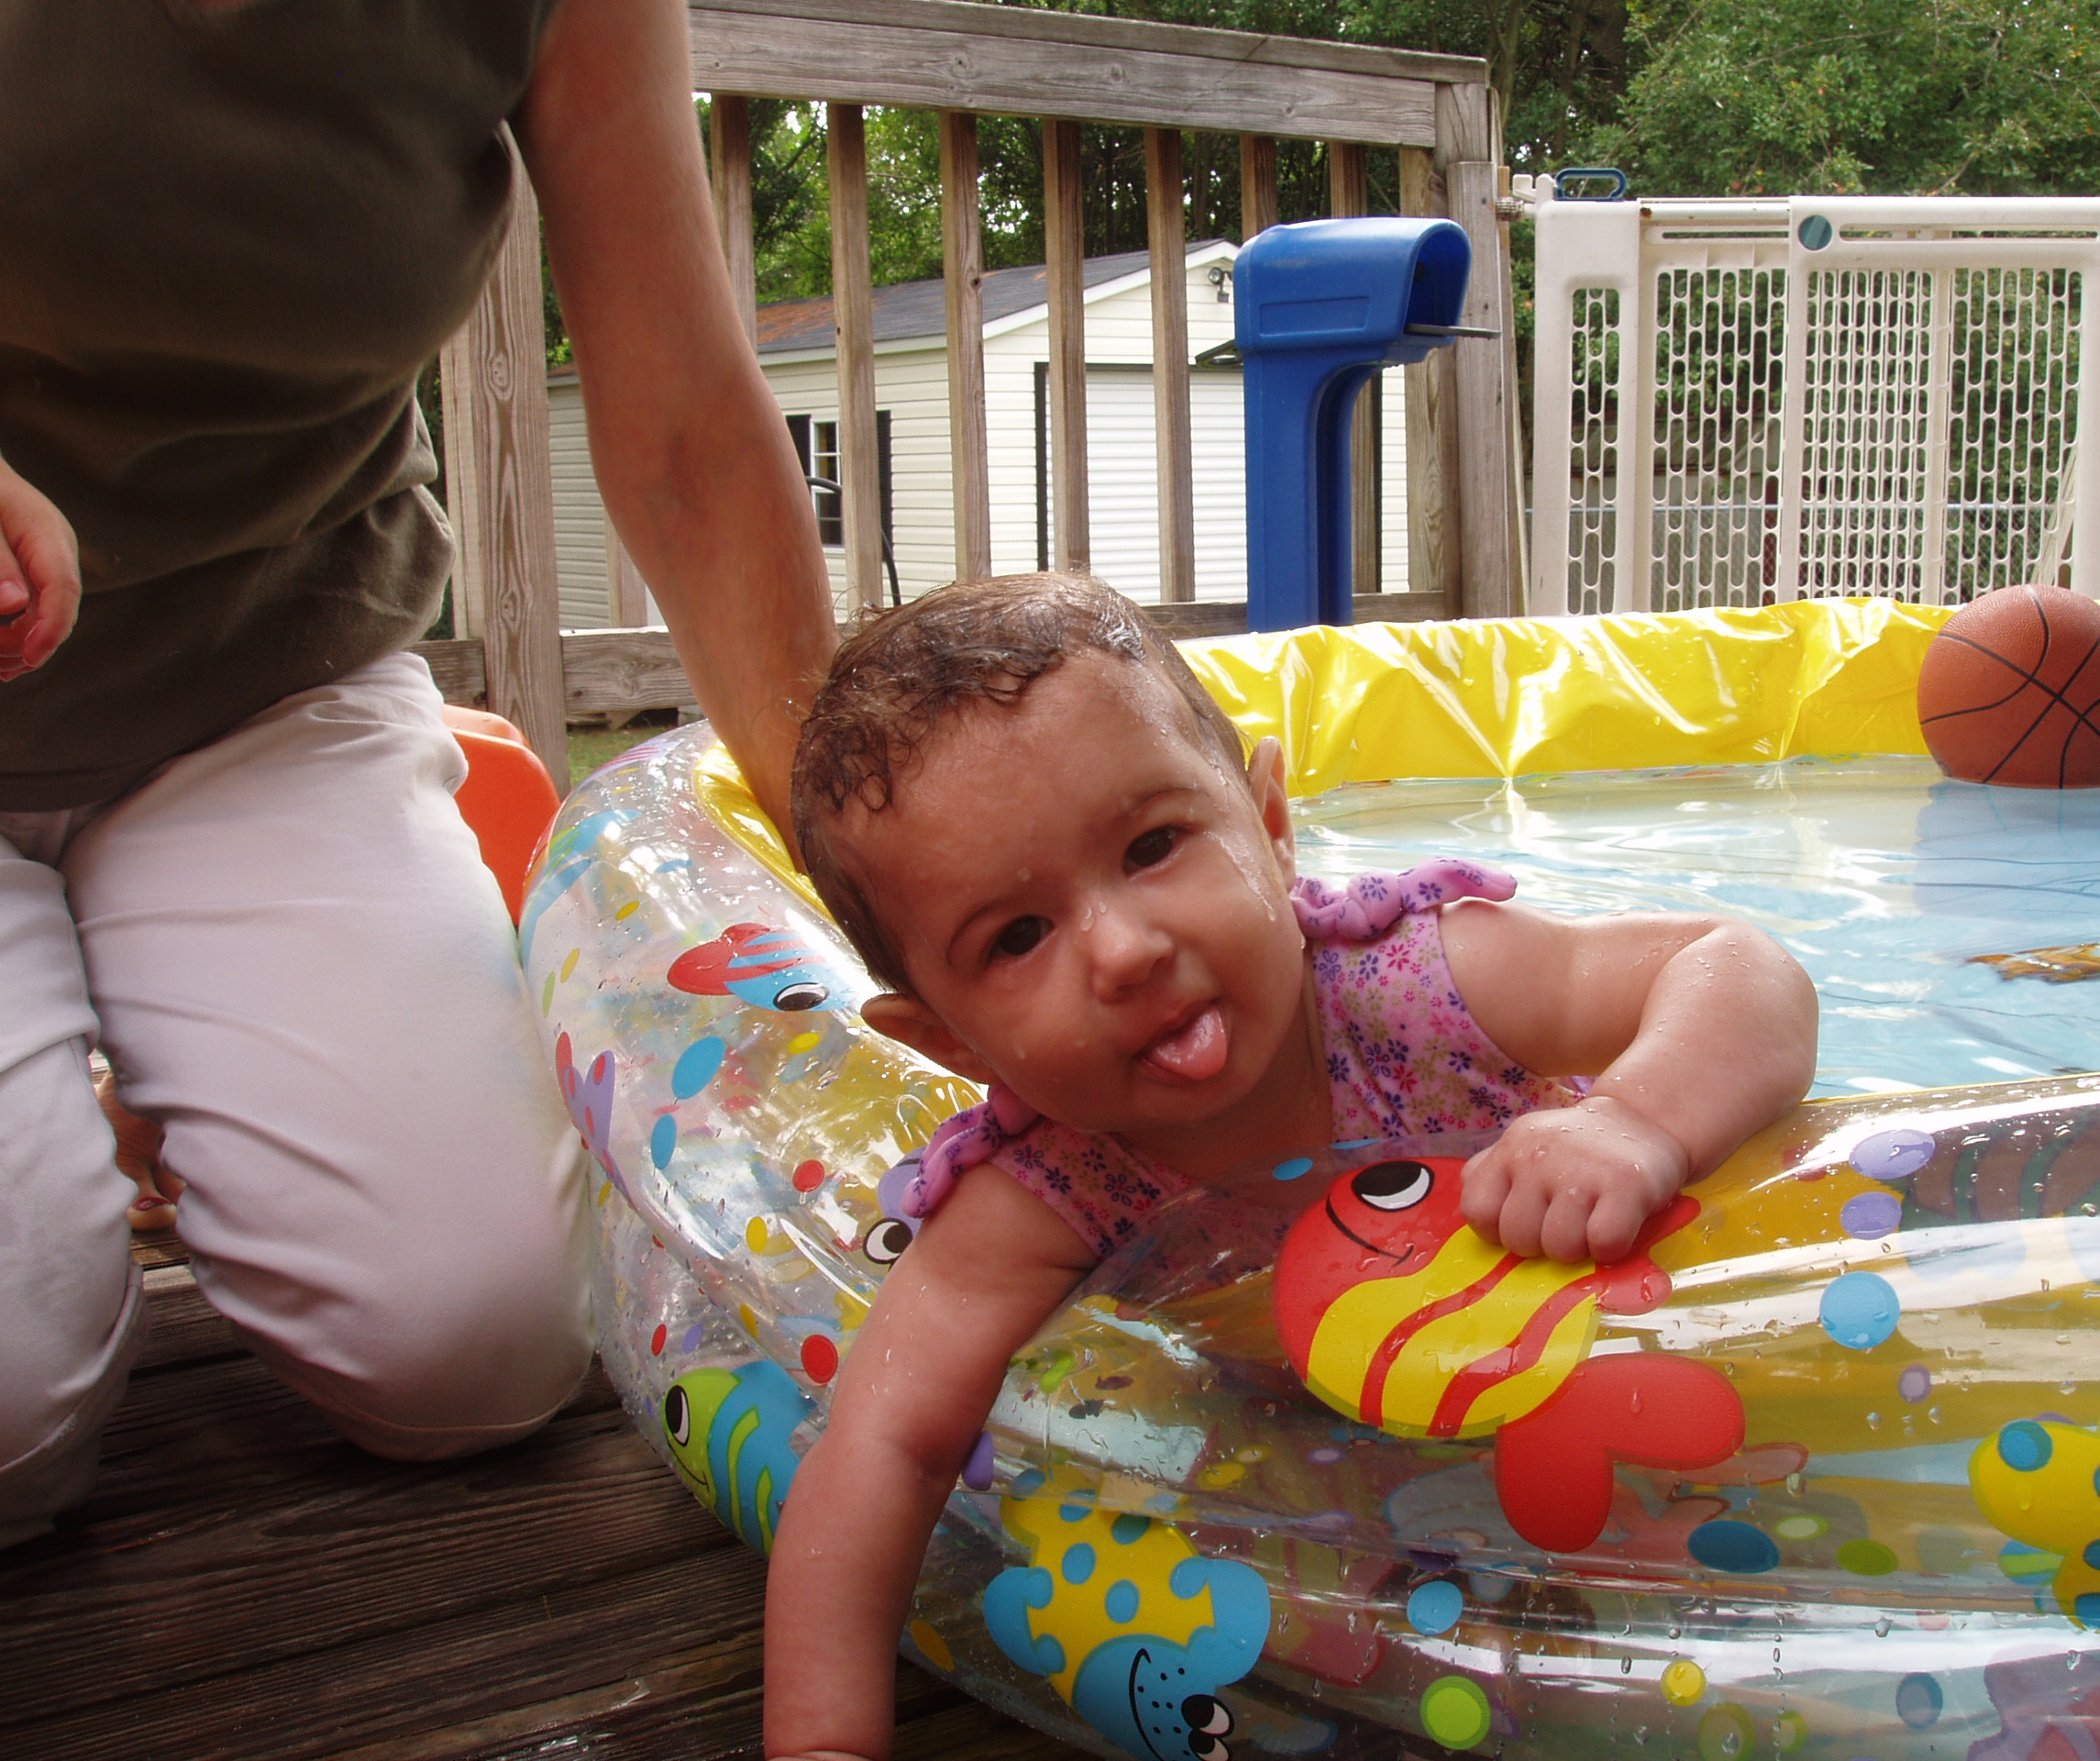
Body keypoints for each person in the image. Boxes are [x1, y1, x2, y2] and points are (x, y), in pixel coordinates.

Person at [0, 0, 834, 1548]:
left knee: (483, 1348)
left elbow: (686, 440)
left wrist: (868, 874)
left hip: (265, 673)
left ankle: (147, 1083)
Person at [765, 574, 1818, 1759]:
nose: (1124, 949)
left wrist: (1634, 1120)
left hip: (1598, 1391)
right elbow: (883, 1447)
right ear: (950, 1043)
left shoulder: (1420, 993)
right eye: (1018, 937)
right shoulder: (1053, 1189)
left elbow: (1737, 966)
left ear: (1270, 826)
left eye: (1153, 846)